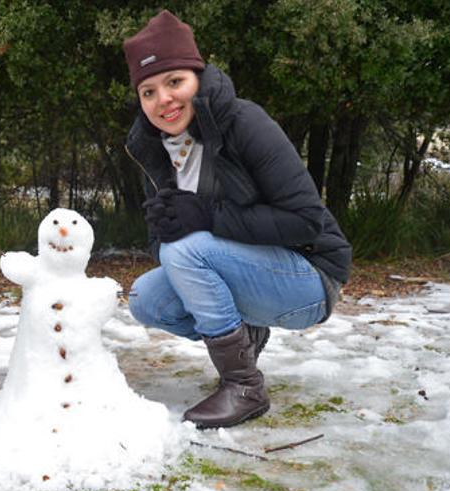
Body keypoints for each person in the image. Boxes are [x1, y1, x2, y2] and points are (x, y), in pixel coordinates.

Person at [122, 10, 352, 429]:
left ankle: (244, 386)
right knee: (146, 299)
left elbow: (306, 221)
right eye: (148, 91)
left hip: (311, 278)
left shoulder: (245, 121)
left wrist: (206, 217)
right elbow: (173, 247)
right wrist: (163, 230)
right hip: (252, 278)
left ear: (198, 77)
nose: (163, 100)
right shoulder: (151, 147)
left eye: (175, 82)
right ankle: (248, 337)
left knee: (188, 246)